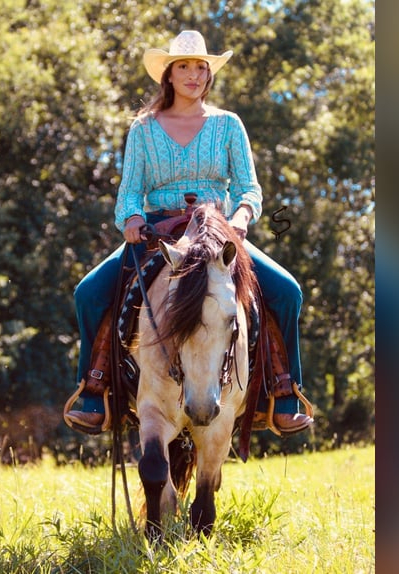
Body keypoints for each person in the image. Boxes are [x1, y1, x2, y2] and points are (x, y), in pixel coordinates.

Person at [64, 31, 313, 436]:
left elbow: (249, 187)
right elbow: (129, 193)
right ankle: (95, 391)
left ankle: (284, 393)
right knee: (89, 294)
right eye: (185, 67)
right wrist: (130, 220)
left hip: (217, 231)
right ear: (169, 74)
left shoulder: (229, 124)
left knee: (287, 291)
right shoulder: (144, 129)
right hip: (158, 233)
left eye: (201, 67)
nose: (194, 75)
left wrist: (244, 216)